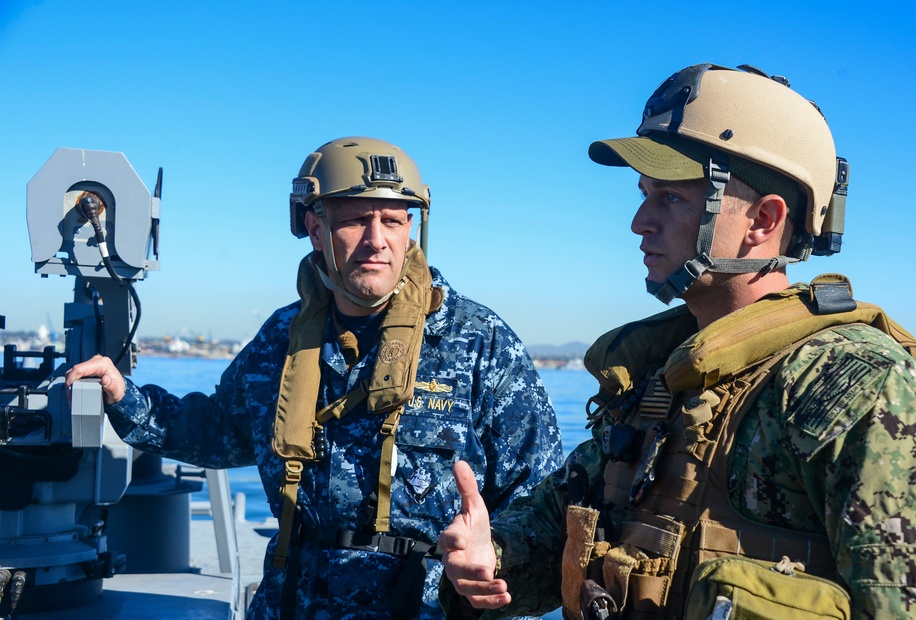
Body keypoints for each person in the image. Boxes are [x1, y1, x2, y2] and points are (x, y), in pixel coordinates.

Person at [438, 64, 916, 619]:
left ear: (763, 220)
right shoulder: (659, 378)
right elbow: (566, 519)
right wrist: (493, 556)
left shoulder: (861, 391)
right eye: (643, 194)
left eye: (672, 199)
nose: (639, 222)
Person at [65, 136, 563, 620]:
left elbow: (546, 501)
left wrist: (495, 555)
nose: (377, 240)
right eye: (354, 221)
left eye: (393, 220)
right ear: (315, 227)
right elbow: (218, 431)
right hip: (293, 602)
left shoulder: (478, 341)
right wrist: (123, 394)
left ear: (412, 227)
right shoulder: (283, 336)